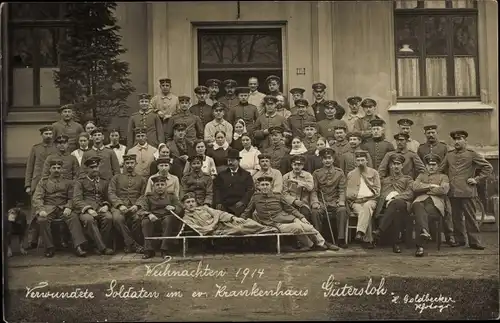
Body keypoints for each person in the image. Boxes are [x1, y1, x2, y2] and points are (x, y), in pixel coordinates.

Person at [241, 176, 337, 251]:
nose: (265, 187)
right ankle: (313, 245)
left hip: (288, 218)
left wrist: (301, 217)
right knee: (298, 228)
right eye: (263, 185)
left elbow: (290, 208)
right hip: (276, 224)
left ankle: (323, 243)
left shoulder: (278, 196)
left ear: (271, 186)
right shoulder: (255, 197)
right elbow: (247, 210)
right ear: (258, 186)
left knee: (308, 226)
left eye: (267, 184)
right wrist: (240, 219)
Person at [439, 130, 493, 250]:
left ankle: (475, 241)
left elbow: (488, 167)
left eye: (459, 139)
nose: (457, 142)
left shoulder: (471, 154)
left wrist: (476, 179)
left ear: (465, 141)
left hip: (467, 191)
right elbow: (441, 169)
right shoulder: (449, 155)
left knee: (470, 218)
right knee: (456, 217)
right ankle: (460, 240)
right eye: (455, 140)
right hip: (453, 191)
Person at [32, 159, 87, 257]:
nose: (56, 170)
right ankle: (49, 247)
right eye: (54, 168)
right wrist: (41, 209)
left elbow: (72, 197)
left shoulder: (68, 182)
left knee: (73, 217)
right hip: (48, 209)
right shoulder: (43, 182)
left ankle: (78, 246)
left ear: (62, 169)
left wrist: (69, 207)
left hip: (63, 207)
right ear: (49, 169)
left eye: (58, 168)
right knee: (42, 220)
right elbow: (37, 197)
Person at [412, 153, 458, 257]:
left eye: (434, 164)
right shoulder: (421, 175)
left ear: (438, 166)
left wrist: (424, 189)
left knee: (421, 214)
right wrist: (432, 186)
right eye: (429, 165)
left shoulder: (443, 176)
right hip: (419, 202)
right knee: (417, 206)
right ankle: (424, 232)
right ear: (426, 166)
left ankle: (420, 246)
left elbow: (444, 190)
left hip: (435, 204)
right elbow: (415, 187)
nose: (431, 167)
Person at [372, 154, 414, 253]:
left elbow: (410, 193)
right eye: (394, 164)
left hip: (403, 204)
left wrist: (395, 197)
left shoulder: (408, 179)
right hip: (387, 207)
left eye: (398, 164)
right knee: (396, 213)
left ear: (402, 166)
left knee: (396, 204)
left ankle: (380, 230)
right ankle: (396, 244)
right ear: (390, 166)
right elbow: (379, 193)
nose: (396, 166)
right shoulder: (385, 180)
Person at [72, 156, 115, 255]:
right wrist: (88, 209)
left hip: (100, 208)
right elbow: (76, 199)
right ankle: (103, 248)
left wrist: (106, 206)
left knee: (108, 217)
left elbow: (108, 197)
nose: (95, 169)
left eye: (96, 167)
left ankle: (98, 246)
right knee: (89, 220)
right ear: (86, 169)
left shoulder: (104, 182)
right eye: (92, 167)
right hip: (85, 210)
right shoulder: (80, 182)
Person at [181, 192, 277, 236]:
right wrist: (213, 224)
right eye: (188, 202)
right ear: (184, 205)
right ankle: (264, 230)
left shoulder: (204, 208)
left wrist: (233, 218)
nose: (191, 204)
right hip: (217, 231)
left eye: (192, 201)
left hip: (224, 223)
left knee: (245, 221)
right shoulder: (186, 218)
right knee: (238, 229)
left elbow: (219, 213)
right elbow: (201, 230)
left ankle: (267, 229)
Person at [108, 154, 146, 253]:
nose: (129, 165)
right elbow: (111, 193)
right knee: (117, 218)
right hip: (119, 207)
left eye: (132, 163)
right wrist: (120, 205)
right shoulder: (116, 178)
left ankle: (129, 245)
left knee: (137, 218)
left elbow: (144, 195)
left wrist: (137, 205)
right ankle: (133, 244)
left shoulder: (141, 179)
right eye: (127, 163)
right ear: (124, 164)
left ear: (136, 164)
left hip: (134, 206)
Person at [137, 176, 183, 259]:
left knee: (169, 220)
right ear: (153, 186)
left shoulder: (171, 196)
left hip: (167, 217)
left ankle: (164, 249)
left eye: (162, 184)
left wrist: (174, 207)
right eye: (157, 185)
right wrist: (148, 214)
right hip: (153, 218)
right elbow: (141, 210)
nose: (160, 187)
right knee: (145, 222)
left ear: (166, 185)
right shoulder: (148, 197)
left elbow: (180, 208)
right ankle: (148, 250)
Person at [310, 148, 348, 248]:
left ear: (333, 159)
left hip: (335, 200)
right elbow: (314, 190)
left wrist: (341, 201)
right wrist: (315, 202)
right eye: (325, 158)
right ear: (322, 160)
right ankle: (319, 239)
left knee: (342, 210)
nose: (327, 160)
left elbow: (342, 190)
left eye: (329, 158)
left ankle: (341, 238)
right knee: (315, 212)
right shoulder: (316, 173)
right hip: (322, 201)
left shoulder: (339, 173)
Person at [346, 150, 381, 248]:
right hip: (356, 202)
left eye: (362, 160)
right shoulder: (351, 174)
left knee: (366, 207)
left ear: (366, 161)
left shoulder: (374, 172)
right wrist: (354, 199)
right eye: (358, 160)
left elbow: (378, 190)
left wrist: (369, 197)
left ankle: (360, 233)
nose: (360, 162)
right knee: (365, 212)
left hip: (370, 200)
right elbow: (348, 193)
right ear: (355, 162)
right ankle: (368, 240)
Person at [214, 148, 254, 216]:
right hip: (224, 204)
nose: (230, 163)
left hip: (239, 205)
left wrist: (243, 201)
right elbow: (217, 189)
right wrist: (218, 202)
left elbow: (250, 190)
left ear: (238, 161)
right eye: (228, 160)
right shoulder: (221, 175)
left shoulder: (246, 175)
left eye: (232, 160)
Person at [283, 155, 317, 228]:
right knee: (288, 216)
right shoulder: (286, 176)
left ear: (303, 166)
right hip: (290, 204)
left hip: (304, 203)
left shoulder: (307, 175)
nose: (297, 167)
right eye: (295, 164)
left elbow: (310, 188)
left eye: (299, 165)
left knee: (306, 214)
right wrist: (294, 201)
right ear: (292, 165)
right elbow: (284, 193)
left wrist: (297, 181)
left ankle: (306, 235)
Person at [25, 125, 58, 196]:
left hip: (52, 182)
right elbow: (30, 167)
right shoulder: (35, 148)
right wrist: (28, 185)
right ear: (42, 135)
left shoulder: (57, 148)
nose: (48, 136)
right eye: (46, 134)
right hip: (37, 181)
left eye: (50, 134)